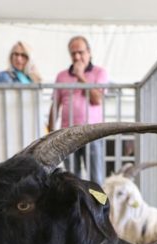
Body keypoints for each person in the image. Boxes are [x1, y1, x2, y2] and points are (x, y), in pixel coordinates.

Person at [48, 36, 109, 185]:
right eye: (73, 53)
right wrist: (50, 133)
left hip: (93, 133)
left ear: (89, 52)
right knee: (72, 179)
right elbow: (55, 104)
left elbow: (97, 99)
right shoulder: (61, 76)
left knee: (97, 179)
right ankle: (77, 207)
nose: (76, 57)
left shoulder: (99, 72)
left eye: (80, 52)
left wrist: (81, 76)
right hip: (67, 135)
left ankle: (99, 207)